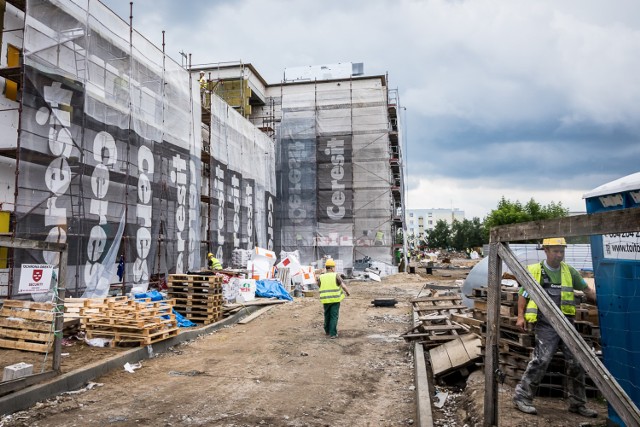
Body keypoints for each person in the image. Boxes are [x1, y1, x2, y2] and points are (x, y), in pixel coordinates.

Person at [513, 238, 598, 418]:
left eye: (562, 251)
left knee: (576, 361)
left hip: (567, 323)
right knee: (541, 360)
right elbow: (523, 295)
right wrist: (520, 316)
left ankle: (578, 403)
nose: (559, 255)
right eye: (555, 251)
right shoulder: (535, 271)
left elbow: (587, 291)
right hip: (545, 324)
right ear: (546, 250)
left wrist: (605, 303)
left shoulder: (569, 272)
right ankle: (522, 397)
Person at [317, 258, 350, 339]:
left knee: (327, 315)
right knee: (334, 316)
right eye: (334, 267)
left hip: (325, 299)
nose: (334, 269)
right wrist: (347, 292)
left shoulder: (321, 277)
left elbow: (319, 285)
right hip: (335, 300)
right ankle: (333, 333)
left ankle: (327, 331)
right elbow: (343, 285)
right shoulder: (335, 275)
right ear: (331, 268)